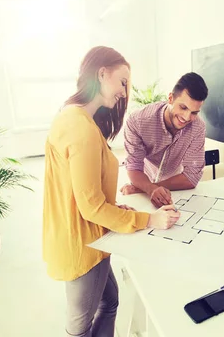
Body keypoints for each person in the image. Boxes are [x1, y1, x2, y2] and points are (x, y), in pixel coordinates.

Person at [42, 46, 180, 337]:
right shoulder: (80, 127)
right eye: (123, 82)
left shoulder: (74, 117)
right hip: (83, 244)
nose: (124, 91)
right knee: (79, 328)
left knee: (111, 302)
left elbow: (83, 190)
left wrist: (116, 209)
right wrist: (149, 220)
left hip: (90, 237)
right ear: (101, 73)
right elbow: (90, 207)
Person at [121, 72, 209, 208]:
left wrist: (151, 188)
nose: (186, 117)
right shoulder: (137, 121)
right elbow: (134, 167)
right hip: (144, 181)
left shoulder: (198, 127)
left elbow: (191, 177)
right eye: (183, 107)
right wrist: (148, 188)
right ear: (170, 98)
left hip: (177, 188)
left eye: (194, 112)